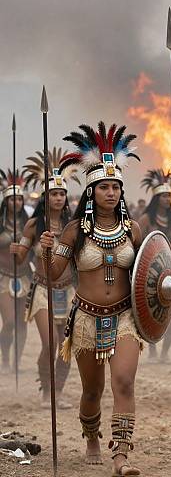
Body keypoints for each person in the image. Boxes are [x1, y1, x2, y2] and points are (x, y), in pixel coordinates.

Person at [39, 122, 143, 476]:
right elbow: (54, 275)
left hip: (125, 317)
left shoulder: (134, 230)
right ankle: (91, 436)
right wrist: (47, 251)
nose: (111, 193)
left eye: (116, 187)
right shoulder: (73, 231)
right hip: (85, 318)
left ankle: (122, 455)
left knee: (124, 383)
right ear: (92, 192)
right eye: (104, 187)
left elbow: (150, 271)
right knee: (92, 392)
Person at [10, 148, 79, 408]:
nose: (59, 198)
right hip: (41, 289)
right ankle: (46, 391)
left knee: (65, 346)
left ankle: (58, 392)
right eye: (54, 194)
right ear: (45, 197)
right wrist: (18, 250)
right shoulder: (33, 225)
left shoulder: (73, 226)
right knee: (50, 343)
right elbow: (20, 261)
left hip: (69, 291)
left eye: (62, 194)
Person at [139, 169, 171, 362]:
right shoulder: (147, 219)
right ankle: (153, 351)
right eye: (163, 195)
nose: (167, 199)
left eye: (169, 195)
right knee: (152, 311)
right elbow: (138, 244)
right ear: (156, 198)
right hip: (150, 274)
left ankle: (164, 352)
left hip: (170, 273)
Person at [0, 169, 30, 373]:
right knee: (9, 322)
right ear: (6, 202)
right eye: (13, 199)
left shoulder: (29, 223)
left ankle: (18, 362)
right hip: (3, 277)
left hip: (25, 276)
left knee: (22, 323)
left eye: (20, 199)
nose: (17, 203)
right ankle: (5, 359)